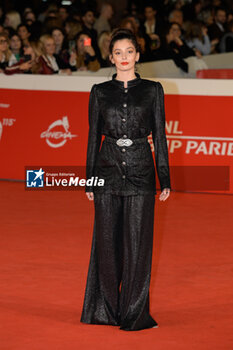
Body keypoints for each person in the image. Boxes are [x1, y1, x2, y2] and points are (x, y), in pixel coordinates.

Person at [80, 28, 171, 331]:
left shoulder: (153, 90)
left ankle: (134, 313)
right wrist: (89, 179)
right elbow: (93, 137)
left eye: (128, 52)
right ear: (110, 57)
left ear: (137, 55)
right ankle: (103, 310)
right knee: (106, 245)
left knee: (137, 245)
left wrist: (164, 178)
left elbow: (160, 135)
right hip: (105, 171)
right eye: (117, 53)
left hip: (141, 172)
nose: (123, 58)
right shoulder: (99, 91)